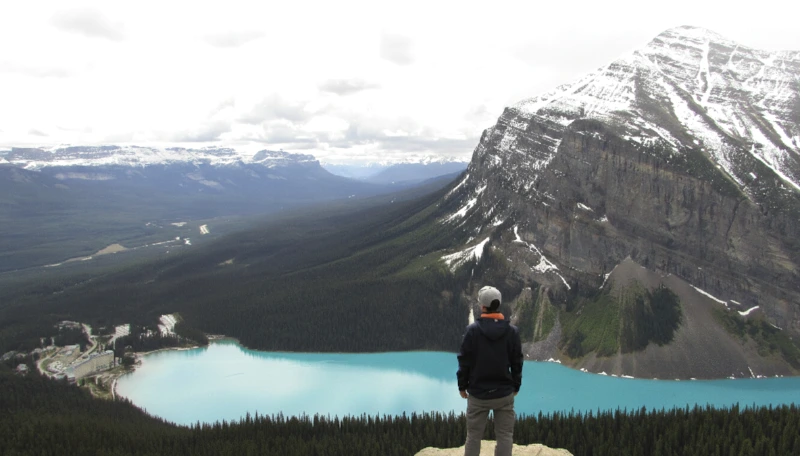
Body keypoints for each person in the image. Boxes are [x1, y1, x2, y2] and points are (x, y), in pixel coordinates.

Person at [457, 286, 523, 456]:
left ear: (482, 306)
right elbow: (517, 362)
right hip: (504, 394)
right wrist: (516, 386)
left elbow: (464, 361)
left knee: (473, 436)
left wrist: (462, 386)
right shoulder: (511, 332)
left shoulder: (472, 331)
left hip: (478, 394)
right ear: (499, 304)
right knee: (505, 436)